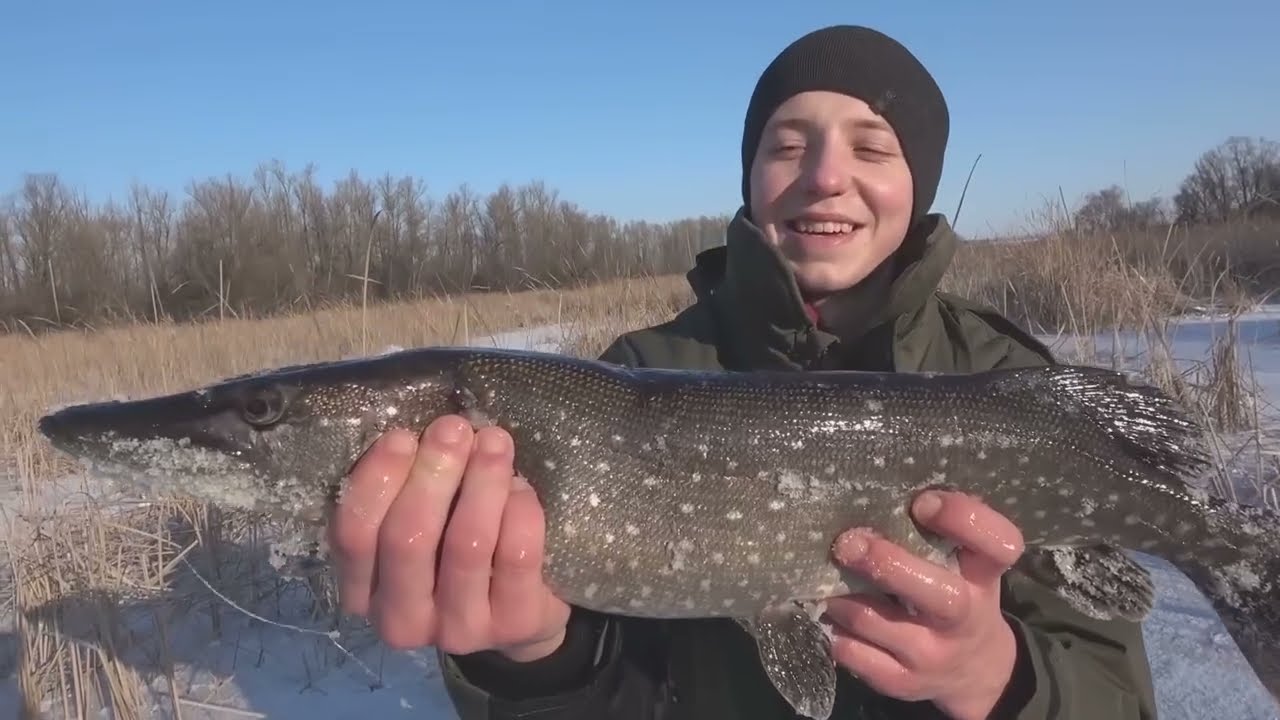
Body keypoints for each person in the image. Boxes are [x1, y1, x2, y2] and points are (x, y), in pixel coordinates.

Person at [327, 24, 1160, 720]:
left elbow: (1117, 691)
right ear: (750, 177)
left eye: (873, 146)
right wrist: (536, 659)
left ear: (921, 183)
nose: (827, 176)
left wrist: (994, 677)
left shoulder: (1007, 378)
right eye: (787, 145)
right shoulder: (635, 377)